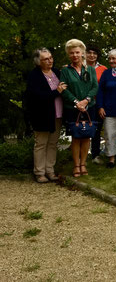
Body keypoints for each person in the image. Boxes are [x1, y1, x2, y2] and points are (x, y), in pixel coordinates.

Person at [26, 48, 66, 182]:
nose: (50, 61)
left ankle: (50, 170)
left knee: (53, 143)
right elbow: (37, 96)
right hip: (42, 115)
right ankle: (39, 172)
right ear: (38, 62)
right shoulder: (34, 75)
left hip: (58, 113)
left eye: (51, 58)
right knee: (41, 144)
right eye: (45, 59)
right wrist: (57, 91)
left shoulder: (56, 72)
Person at [60, 39, 99, 178]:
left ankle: (84, 163)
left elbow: (95, 87)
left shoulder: (90, 69)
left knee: (87, 136)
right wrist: (77, 102)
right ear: (68, 55)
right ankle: (76, 165)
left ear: (82, 53)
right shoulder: (65, 71)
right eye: (72, 53)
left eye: (77, 52)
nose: (75, 55)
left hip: (90, 107)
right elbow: (64, 90)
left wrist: (86, 101)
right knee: (76, 137)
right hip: (73, 108)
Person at [86, 44, 107, 165]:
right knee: (81, 127)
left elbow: (104, 88)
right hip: (82, 103)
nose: (92, 55)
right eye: (89, 52)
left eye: (95, 53)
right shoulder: (79, 67)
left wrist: (101, 105)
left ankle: (95, 155)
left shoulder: (103, 69)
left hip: (97, 102)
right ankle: (80, 156)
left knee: (96, 129)